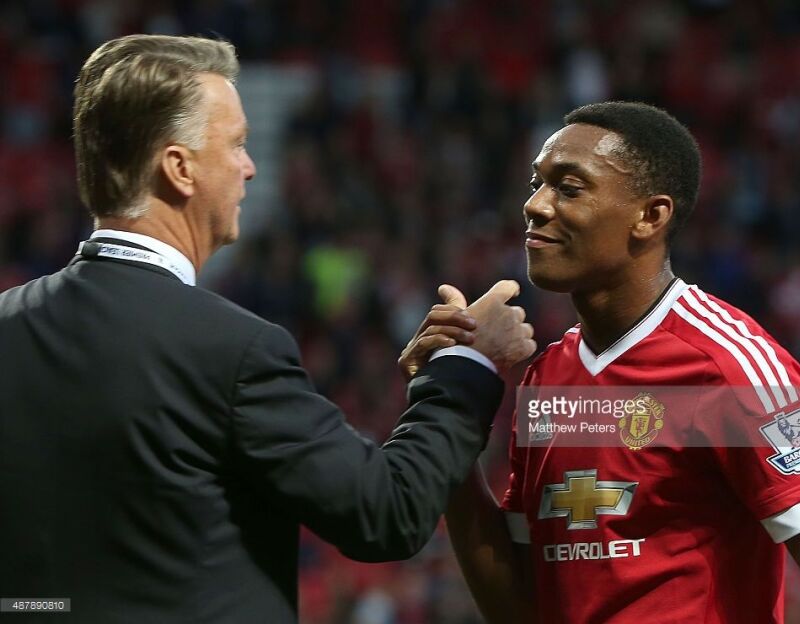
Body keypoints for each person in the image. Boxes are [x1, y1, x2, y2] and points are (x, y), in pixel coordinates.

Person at [0, 35, 536, 623]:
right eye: (236, 144)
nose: (250, 167)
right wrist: (467, 364)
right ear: (179, 168)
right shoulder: (231, 349)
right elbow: (388, 513)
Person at [403, 101, 800, 623]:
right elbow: (521, 608)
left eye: (568, 188)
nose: (535, 205)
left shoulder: (728, 365)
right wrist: (451, 421)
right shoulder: (547, 378)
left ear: (650, 217)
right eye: (536, 184)